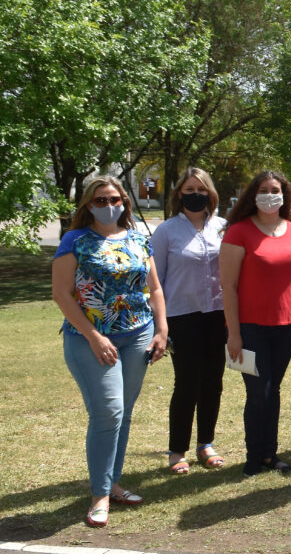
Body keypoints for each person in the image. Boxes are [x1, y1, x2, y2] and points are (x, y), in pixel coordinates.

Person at [52, 176, 168, 527]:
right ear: (88, 205)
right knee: (109, 412)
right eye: (100, 201)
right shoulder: (75, 240)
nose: (108, 206)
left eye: (114, 199)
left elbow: (156, 289)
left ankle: (114, 483)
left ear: (125, 202)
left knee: (124, 412)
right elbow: (61, 294)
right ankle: (100, 494)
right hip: (90, 339)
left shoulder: (137, 238)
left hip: (137, 335)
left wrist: (162, 329)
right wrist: (93, 336)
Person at [220, 170, 291, 477]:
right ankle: (254, 456)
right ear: (252, 195)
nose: (270, 194)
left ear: (285, 195)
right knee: (258, 391)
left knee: (274, 390)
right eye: (264, 189)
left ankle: (270, 454)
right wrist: (233, 334)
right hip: (249, 328)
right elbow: (228, 286)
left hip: (288, 325)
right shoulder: (238, 232)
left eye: (276, 189)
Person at [151, 167, 227, 474]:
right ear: (178, 194)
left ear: (211, 193)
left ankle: (205, 444)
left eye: (201, 189)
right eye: (189, 190)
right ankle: (177, 450)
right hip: (182, 317)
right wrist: (160, 326)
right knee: (186, 384)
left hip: (219, 316)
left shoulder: (224, 227)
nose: (195, 195)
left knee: (214, 382)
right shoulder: (166, 231)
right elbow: (155, 281)